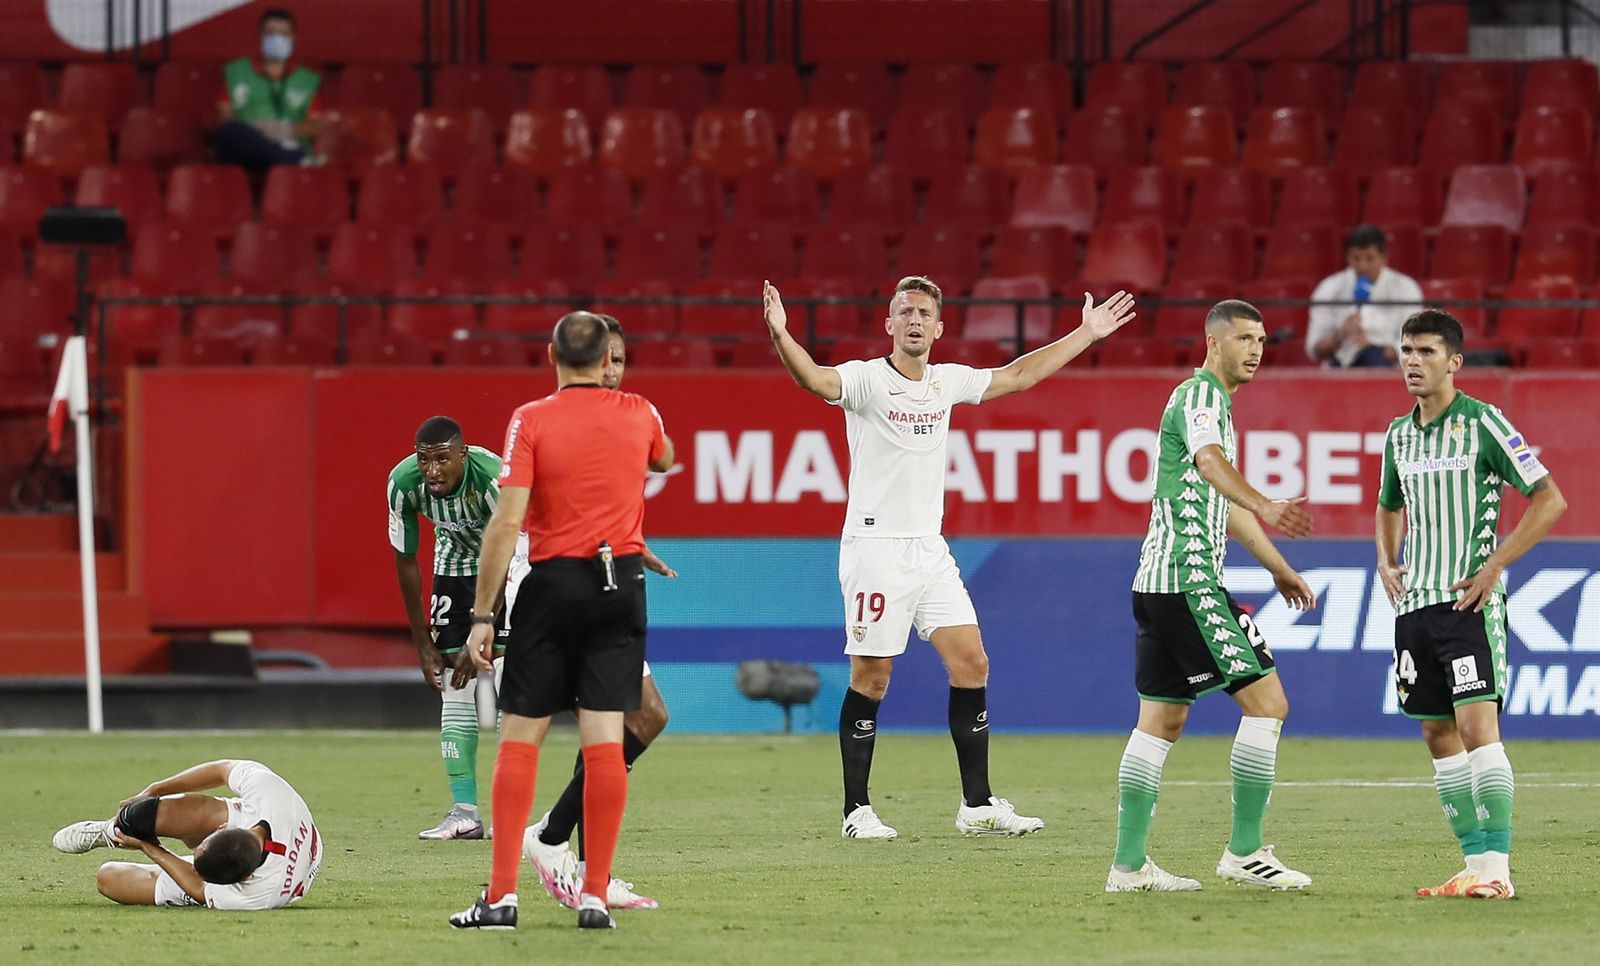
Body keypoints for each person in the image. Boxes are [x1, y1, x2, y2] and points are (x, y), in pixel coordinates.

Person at [763, 275, 1136, 841]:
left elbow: (1019, 375)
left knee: (972, 664)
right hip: (876, 549)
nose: (914, 320)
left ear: (939, 328)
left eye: (924, 313)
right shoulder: (866, 380)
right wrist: (781, 334)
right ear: (889, 324)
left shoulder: (947, 382)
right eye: (905, 311)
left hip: (930, 550)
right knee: (872, 677)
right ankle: (856, 810)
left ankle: (977, 805)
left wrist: (1085, 334)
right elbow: (815, 379)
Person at [448, 311, 674, 932]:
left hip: (551, 585)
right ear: (605, 360)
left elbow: (506, 522)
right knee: (605, 742)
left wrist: (482, 616)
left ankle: (501, 898)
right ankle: (594, 898)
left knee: (521, 740)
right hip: (618, 586)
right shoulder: (640, 413)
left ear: (551, 355)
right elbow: (664, 458)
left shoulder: (530, 420)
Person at [1108, 299, 1318, 894]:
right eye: (1244, 339)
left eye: (1262, 340)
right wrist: (1267, 503)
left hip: (1156, 584)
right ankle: (1244, 852)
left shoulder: (1213, 405)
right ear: (1214, 342)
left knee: (1161, 720)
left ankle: (1127, 867)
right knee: (1268, 704)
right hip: (1189, 582)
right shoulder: (1201, 396)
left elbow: (1222, 500)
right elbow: (1209, 462)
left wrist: (1278, 568)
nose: (1255, 350)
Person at [1376, 309, 1567, 900]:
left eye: (1427, 351)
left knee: (1477, 728)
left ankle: (1498, 871)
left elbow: (1549, 499)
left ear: (1455, 361)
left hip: (1468, 604)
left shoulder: (1484, 422)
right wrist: (1385, 558)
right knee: (1437, 732)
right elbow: (1388, 503)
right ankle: (1474, 865)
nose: (1413, 361)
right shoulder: (1397, 435)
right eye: (1407, 350)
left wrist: (1495, 564)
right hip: (1415, 606)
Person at [520, 314, 671, 912]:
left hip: (603, 580)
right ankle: (580, 870)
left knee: (645, 718)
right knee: (607, 727)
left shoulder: (624, 417)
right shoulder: (549, 418)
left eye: (622, 361)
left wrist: (631, 548)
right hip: (556, 586)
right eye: (607, 358)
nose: (613, 370)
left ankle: (559, 843)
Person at [388, 415, 507, 840]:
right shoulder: (403, 484)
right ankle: (465, 812)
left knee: (512, 684)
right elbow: (405, 560)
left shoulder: (494, 479)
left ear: (463, 454)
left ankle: (510, 812)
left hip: (509, 569)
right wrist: (422, 642)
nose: (432, 470)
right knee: (453, 684)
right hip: (454, 569)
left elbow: (512, 548)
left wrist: (483, 627)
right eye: (425, 460)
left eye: (442, 459)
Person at [52, 759, 320, 910]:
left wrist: (148, 847)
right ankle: (113, 831)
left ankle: (126, 836)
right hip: (279, 826)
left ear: (243, 879)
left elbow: (199, 887)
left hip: (278, 874)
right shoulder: (267, 791)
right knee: (141, 815)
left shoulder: (255, 894)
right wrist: (155, 790)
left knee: (108, 878)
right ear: (223, 828)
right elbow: (222, 770)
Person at [214, 8, 324, 169]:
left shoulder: (306, 80)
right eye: (270, 33)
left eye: (284, 34)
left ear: (293, 38)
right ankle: (292, 160)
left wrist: (285, 130)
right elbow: (225, 119)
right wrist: (255, 131)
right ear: (260, 36)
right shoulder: (237, 72)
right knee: (229, 133)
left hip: (289, 144)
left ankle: (284, 157)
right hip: (246, 152)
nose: (277, 39)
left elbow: (315, 126)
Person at [1306, 224, 1424, 367]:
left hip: (1387, 367)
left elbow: (1415, 343)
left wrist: (1375, 349)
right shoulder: (1329, 288)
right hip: (1339, 365)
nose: (1363, 266)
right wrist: (1340, 337)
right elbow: (1314, 348)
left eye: (1370, 258)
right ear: (1348, 257)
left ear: (1383, 258)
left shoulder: (1406, 288)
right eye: (1356, 259)